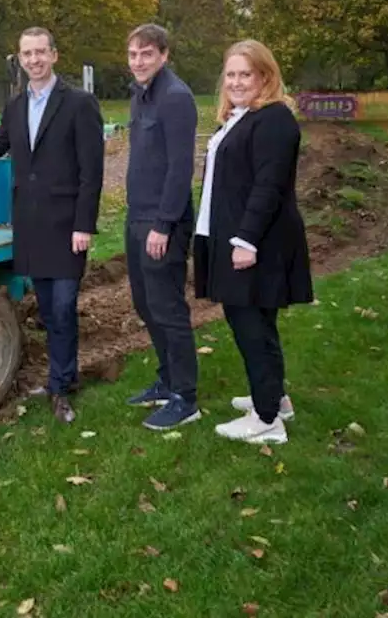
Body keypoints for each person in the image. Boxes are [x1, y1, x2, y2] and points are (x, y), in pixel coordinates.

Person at [0, 27, 104, 424]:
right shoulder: (15, 106)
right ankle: (62, 377)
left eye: (40, 52)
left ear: (54, 55)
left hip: (66, 224)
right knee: (47, 309)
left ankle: (62, 386)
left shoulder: (79, 104)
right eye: (27, 53)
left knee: (63, 308)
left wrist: (84, 225)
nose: (34, 60)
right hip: (30, 223)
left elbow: (91, 173)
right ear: (21, 58)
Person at [195, 39, 312, 445]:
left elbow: (268, 185)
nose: (237, 81)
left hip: (255, 240)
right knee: (258, 322)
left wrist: (246, 240)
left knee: (249, 324)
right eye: (231, 74)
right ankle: (275, 400)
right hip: (231, 233)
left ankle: (266, 421)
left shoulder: (274, 120)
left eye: (246, 74)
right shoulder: (242, 117)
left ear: (266, 76)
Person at [121, 23, 201, 431]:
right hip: (137, 216)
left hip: (162, 222)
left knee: (168, 308)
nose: (139, 62)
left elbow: (180, 167)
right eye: (133, 54)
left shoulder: (175, 98)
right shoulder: (142, 95)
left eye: (147, 54)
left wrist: (164, 224)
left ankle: (185, 397)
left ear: (164, 55)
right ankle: (167, 379)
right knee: (144, 304)